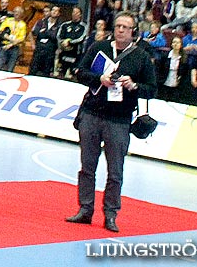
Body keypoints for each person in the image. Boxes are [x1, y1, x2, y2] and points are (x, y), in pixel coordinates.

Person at [66, 13, 158, 233]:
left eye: (126, 27)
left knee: (115, 171)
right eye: (118, 26)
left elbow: (152, 89)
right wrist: (99, 79)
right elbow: (80, 72)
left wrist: (134, 86)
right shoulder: (99, 47)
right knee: (87, 166)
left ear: (133, 32)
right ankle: (85, 209)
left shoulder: (141, 57)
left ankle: (110, 214)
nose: (121, 30)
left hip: (119, 120)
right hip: (92, 113)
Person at [30, 6, 61, 77]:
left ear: (59, 14)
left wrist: (45, 32)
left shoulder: (60, 25)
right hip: (39, 50)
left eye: (56, 11)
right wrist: (32, 44)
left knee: (46, 73)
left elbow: (55, 37)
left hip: (50, 52)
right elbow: (34, 33)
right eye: (53, 10)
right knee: (33, 71)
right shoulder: (41, 22)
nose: (54, 12)